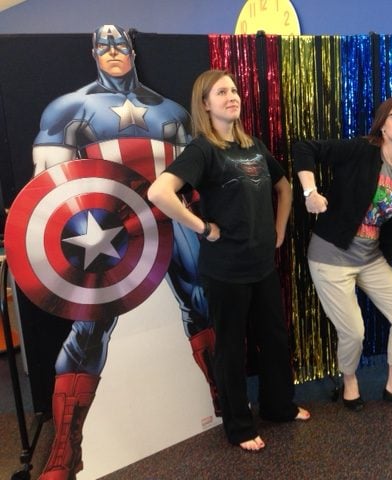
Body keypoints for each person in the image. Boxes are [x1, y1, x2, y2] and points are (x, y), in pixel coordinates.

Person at [32, 25, 215, 479]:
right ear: (92, 52)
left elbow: (194, 174)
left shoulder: (171, 110)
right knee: (88, 327)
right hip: (106, 226)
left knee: (202, 303)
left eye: (120, 45)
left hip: (170, 220)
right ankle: (65, 447)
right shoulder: (69, 109)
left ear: (133, 51)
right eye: (104, 45)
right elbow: (49, 188)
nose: (113, 52)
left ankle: (218, 399)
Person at [148, 69, 310, 451]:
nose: (231, 96)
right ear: (205, 103)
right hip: (226, 270)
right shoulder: (203, 149)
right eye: (221, 92)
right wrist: (202, 227)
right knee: (231, 348)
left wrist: (280, 229)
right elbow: (160, 192)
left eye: (234, 90)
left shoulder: (252, 145)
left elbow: (283, 187)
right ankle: (238, 426)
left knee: (273, 338)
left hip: (261, 266)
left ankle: (278, 407)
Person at [292, 95, 392, 411]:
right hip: (331, 255)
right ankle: (350, 382)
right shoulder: (362, 151)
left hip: (370, 258)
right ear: (383, 125)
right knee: (354, 332)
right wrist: (310, 193)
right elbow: (304, 148)